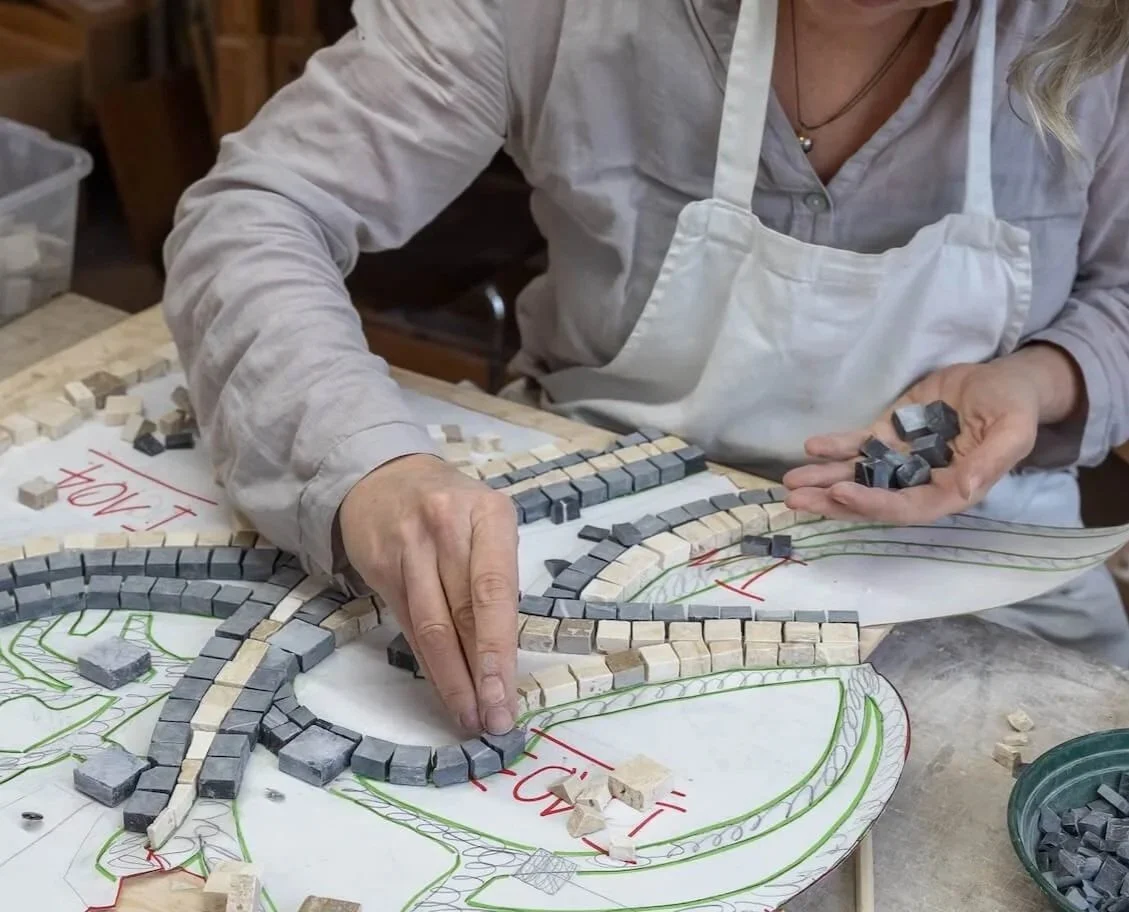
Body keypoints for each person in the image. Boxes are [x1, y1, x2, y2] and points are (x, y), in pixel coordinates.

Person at [163, 0, 1129, 736]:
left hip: (979, 554)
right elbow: (256, 213)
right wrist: (367, 465)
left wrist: (1043, 378)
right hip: (589, 523)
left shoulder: (1094, 33)